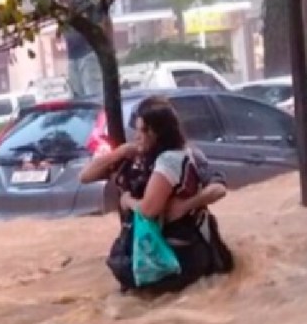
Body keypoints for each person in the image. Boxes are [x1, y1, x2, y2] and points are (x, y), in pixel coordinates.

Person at [80, 96, 233, 293]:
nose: (137, 136)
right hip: (145, 254)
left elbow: (149, 210)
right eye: (137, 130)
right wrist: (119, 152)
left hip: (172, 256)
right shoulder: (133, 159)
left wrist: (129, 201)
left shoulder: (177, 158)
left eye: (144, 131)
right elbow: (85, 176)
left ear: (159, 133)